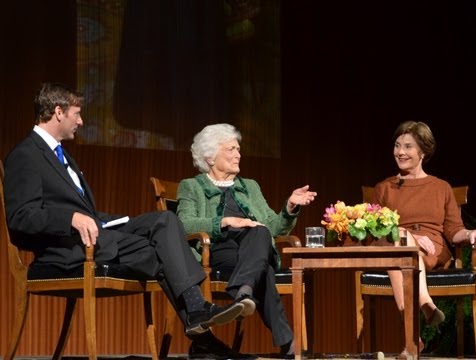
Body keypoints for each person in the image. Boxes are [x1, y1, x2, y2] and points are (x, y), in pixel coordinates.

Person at [3, 83, 248, 359]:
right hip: (66, 248)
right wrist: (70, 217)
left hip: (98, 233)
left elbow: (89, 214)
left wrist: (122, 220)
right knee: (160, 253)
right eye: (77, 114)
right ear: (58, 112)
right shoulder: (25, 155)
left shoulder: (63, 156)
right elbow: (21, 217)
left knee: (164, 221)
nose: (81, 121)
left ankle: (197, 315)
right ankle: (201, 329)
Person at [176, 123, 317, 358]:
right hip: (219, 250)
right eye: (231, 149)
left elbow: (273, 226)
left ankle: (243, 293)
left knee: (260, 232)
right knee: (263, 269)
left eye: (238, 149)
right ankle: (287, 343)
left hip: (253, 247)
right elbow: (184, 224)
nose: (238, 154)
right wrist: (225, 222)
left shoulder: (250, 186)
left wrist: (290, 207)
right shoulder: (191, 187)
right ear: (210, 157)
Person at [372, 120, 476, 352]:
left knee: (401, 247)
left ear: (423, 151)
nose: (400, 152)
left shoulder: (441, 188)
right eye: (397, 145)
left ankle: (412, 338)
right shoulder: (384, 188)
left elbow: (454, 231)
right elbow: (375, 231)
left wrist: (470, 232)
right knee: (399, 240)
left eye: (408, 146)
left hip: (432, 251)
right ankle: (426, 306)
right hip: (395, 249)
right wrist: (409, 236)